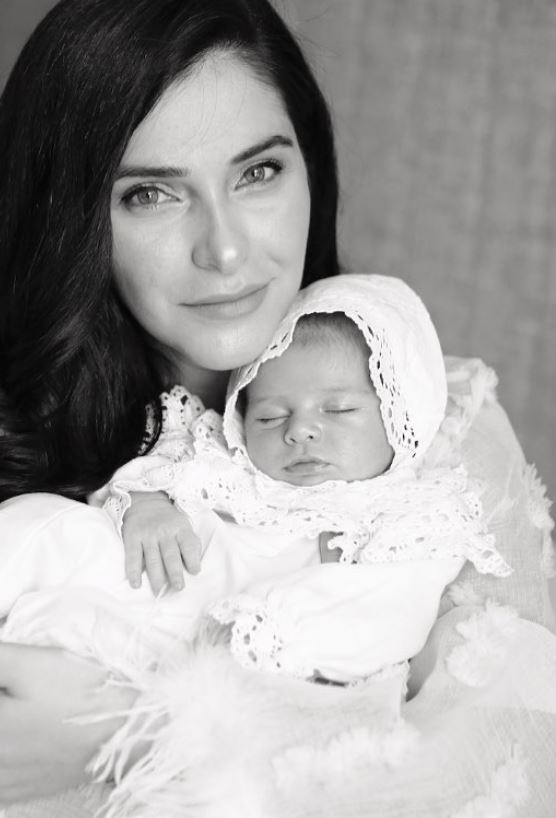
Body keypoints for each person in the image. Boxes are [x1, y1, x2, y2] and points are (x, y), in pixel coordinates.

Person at [0, 0, 554, 815]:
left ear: (312, 172)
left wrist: (130, 735)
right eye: (150, 193)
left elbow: (495, 760)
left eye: (258, 173)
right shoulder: (35, 449)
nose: (224, 250)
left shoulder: (440, 435)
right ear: (70, 216)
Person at [2, 274, 505, 688]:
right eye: (270, 415)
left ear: (404, 417)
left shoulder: (411, 515)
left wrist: (267, 628)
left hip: (201, 655)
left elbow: (390, 612)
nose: (300, 429)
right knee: (40, 525)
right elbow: (162, 464)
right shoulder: (225, 454)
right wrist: (149, 502)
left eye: (338, 409)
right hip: (142, 579)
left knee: (75, 645)